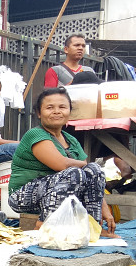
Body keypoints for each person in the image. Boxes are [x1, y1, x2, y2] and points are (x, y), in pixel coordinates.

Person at [7, 87, 117, 236]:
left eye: (62, 107)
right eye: (49, 108)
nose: (56, 111)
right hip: (23, 197)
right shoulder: (35, 134)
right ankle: (43, 226)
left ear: (69, 112)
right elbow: (61, 165)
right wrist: (85, 166)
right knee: (76, 173)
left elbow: (90, 174)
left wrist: (106, 211)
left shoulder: (71, 139)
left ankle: (93, 227)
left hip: (57, 195)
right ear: (39, 113)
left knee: (95, 170)